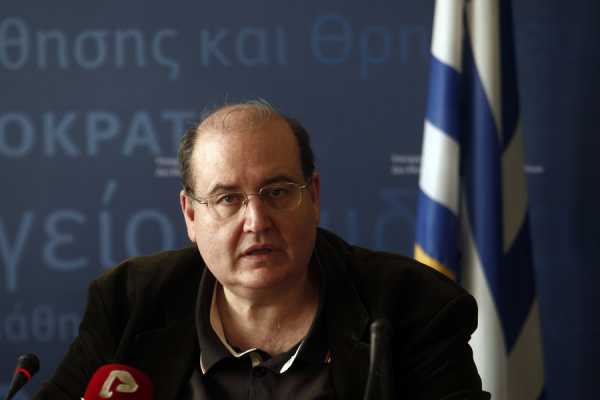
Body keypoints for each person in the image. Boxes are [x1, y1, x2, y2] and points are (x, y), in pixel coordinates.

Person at [33, 100, 489, 399]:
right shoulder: (129, 302)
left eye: (277, 192)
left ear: (313, 196)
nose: (256, 221)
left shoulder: (413, 308)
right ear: (190, 215)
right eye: (228, 199)